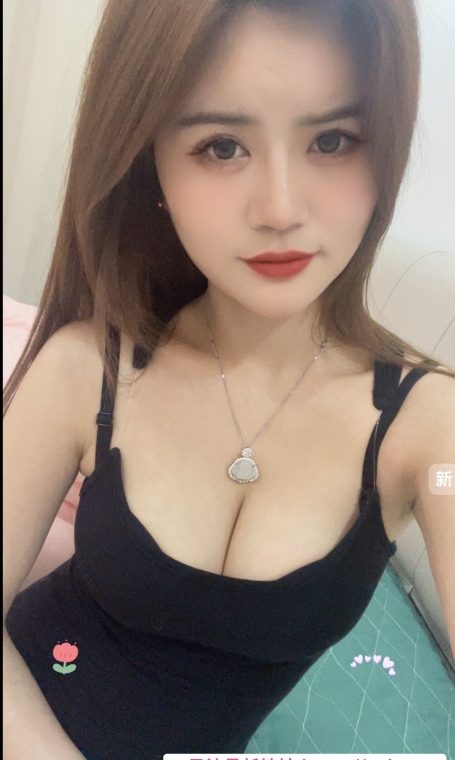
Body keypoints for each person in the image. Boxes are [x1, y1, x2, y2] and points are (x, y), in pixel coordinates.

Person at [3, 1, 455, 758]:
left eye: (332, 140)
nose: (280, 209)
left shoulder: (430, 431)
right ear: (152, 166)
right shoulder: (87, 369)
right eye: (220, 146)